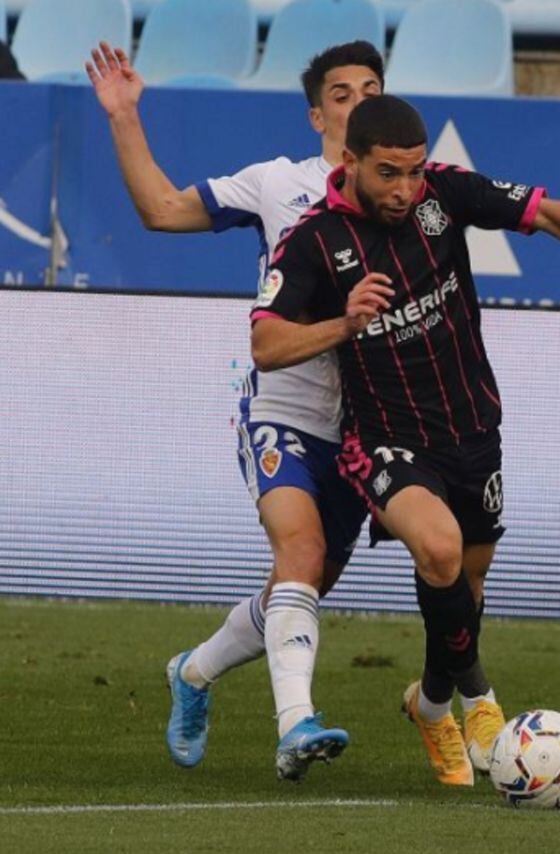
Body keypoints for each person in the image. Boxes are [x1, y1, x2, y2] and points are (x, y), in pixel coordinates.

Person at [253, 93, 560, 786]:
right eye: (389, 173)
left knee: (466, 583)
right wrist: (344, 325)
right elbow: (266, 344)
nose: (405, 189)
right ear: (351, 161)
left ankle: (432, 703)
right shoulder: (312, 241)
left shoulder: (444, 194)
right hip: (384, 437)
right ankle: (480, 700)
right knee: (440, 548)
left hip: (473, 427)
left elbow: (544, 214)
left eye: (414, 172)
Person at [86, 39, 386, 782]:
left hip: (365, 428)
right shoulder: (278, 184)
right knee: (301, 557)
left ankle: (192, 671)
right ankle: (296, 725)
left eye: (371, 90)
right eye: (342, 94)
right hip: (283, 410)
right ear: (317, 113)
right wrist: (124, 116)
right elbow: (160, 209)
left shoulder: (410, 197)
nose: (357, 103)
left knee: (299, 586)